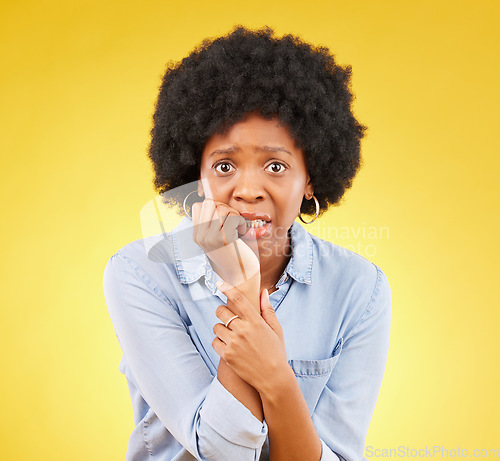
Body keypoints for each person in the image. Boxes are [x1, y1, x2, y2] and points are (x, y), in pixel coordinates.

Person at [103, 25, 391, 461]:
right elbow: (217, 450)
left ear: (309, 178)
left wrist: (274, 376)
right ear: (196, 177)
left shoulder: (360, 290)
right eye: (224, 166)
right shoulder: (141, 273)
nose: (248, 189)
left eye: (275, 166)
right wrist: (242, 285)